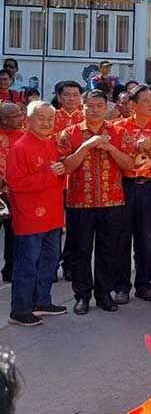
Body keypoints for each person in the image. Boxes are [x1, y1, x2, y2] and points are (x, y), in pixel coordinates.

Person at [57, 90, 134, 314]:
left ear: (106, 107)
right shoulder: (68, 134)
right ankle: (82, 296)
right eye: (89, 105)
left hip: (112, 201)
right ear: (82, 107)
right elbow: (66, 167)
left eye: (99, 105)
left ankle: (104, 294)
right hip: (80, 202)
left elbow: (130, 164)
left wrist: (110, 147)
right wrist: (86, 146)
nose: (94, 109)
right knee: (81, 250)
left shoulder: (119, 132)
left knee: (108, 250)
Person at [6, 101, 67, 326]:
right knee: (27, 264)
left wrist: (60, 172)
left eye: (50, 119)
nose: (46, 123)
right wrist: (52, 174)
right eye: (40, 118)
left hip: (52, 213)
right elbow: (15, 183)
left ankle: (42, 301)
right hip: (30, 215)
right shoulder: (20, 147)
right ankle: (20, 310)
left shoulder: (50, 143)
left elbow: (57, 175)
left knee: (49, 262)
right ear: (28, 120)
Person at [112, 86, 151, 303]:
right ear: (133, 105)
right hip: (124, 186)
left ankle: (144, 285)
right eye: (145, 101)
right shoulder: (118, 128)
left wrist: (150, 150)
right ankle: (121, 286)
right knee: (122, 237)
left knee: (148, 237)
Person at [0, 104, 22, 283]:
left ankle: (10, 269)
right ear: (4, 119)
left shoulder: (24, 137)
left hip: (15, 193)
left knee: (13, 233)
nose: (21, 118)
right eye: (15, 116)